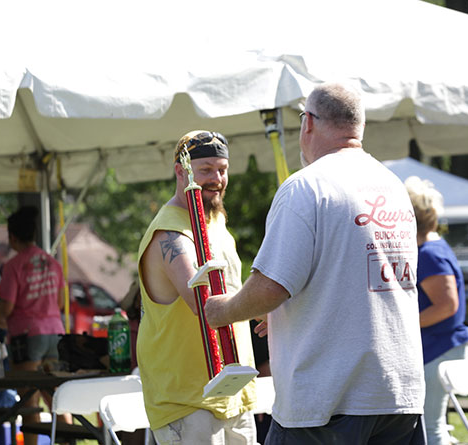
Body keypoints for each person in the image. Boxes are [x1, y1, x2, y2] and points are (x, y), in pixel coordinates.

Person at [205, 82, 425, 444]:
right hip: (397, 391)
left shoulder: (306, 187)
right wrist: (283, 312)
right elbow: (357, 279)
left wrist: (223, 310)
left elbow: (270, 288)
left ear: (307, 123)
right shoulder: (391, 185)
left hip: (328, 398)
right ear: (359, 127)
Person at [136, 130, 257, 445]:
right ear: (181, 171)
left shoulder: (214, 220)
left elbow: (234, 289)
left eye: (222, 169)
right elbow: (206, 306)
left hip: (233, 394)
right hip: (188, 403)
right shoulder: (171, 234)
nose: (217, 178)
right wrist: (266, 299)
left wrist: (266, 309)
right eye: (206, 170)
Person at [405, 176, 468, 445]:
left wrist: (402, 324)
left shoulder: (428, 254)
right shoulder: (434, 247)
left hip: (439, 349)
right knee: (433, 427)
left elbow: (447, 306)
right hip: (441, 348)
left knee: (430, 430)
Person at [0, 206, 66, 445]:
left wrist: (0, 317)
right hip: (55, 332)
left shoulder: (14, 266)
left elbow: (6, 308)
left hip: (27, 335)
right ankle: (69, 441)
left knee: (28, 400)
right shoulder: (53, 263)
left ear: (12, 237)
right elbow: (59, 302)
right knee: (59, 397)